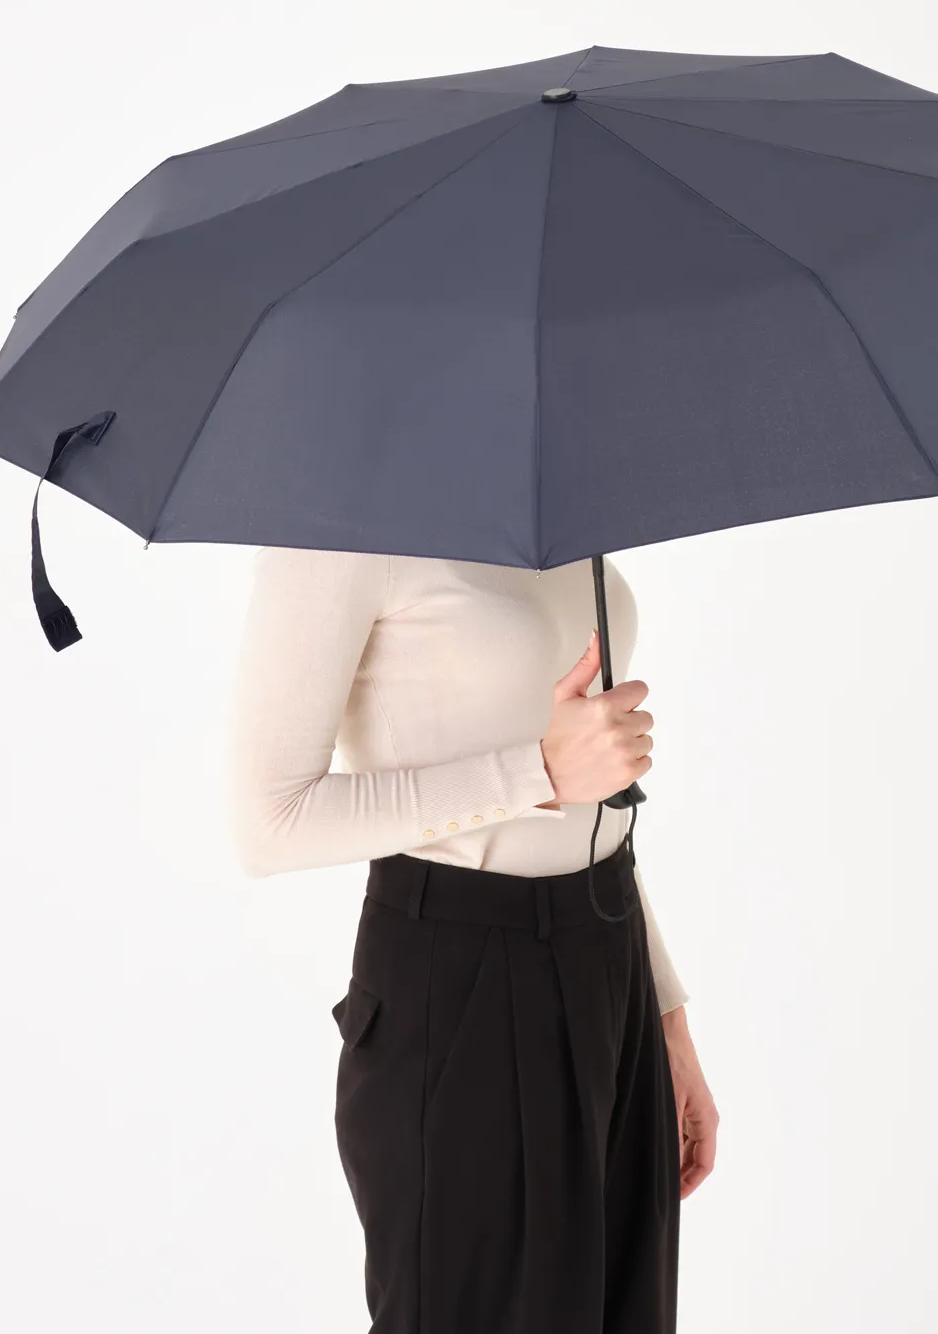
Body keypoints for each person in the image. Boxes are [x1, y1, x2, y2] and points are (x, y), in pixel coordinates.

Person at [225, 545, 718, 1333]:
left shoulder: (551, 497)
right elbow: (267, 823)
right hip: (462, 985)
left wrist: (667, 1017)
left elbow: (599, 814)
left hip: (611, 957)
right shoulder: (336, 528)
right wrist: (538, 773)